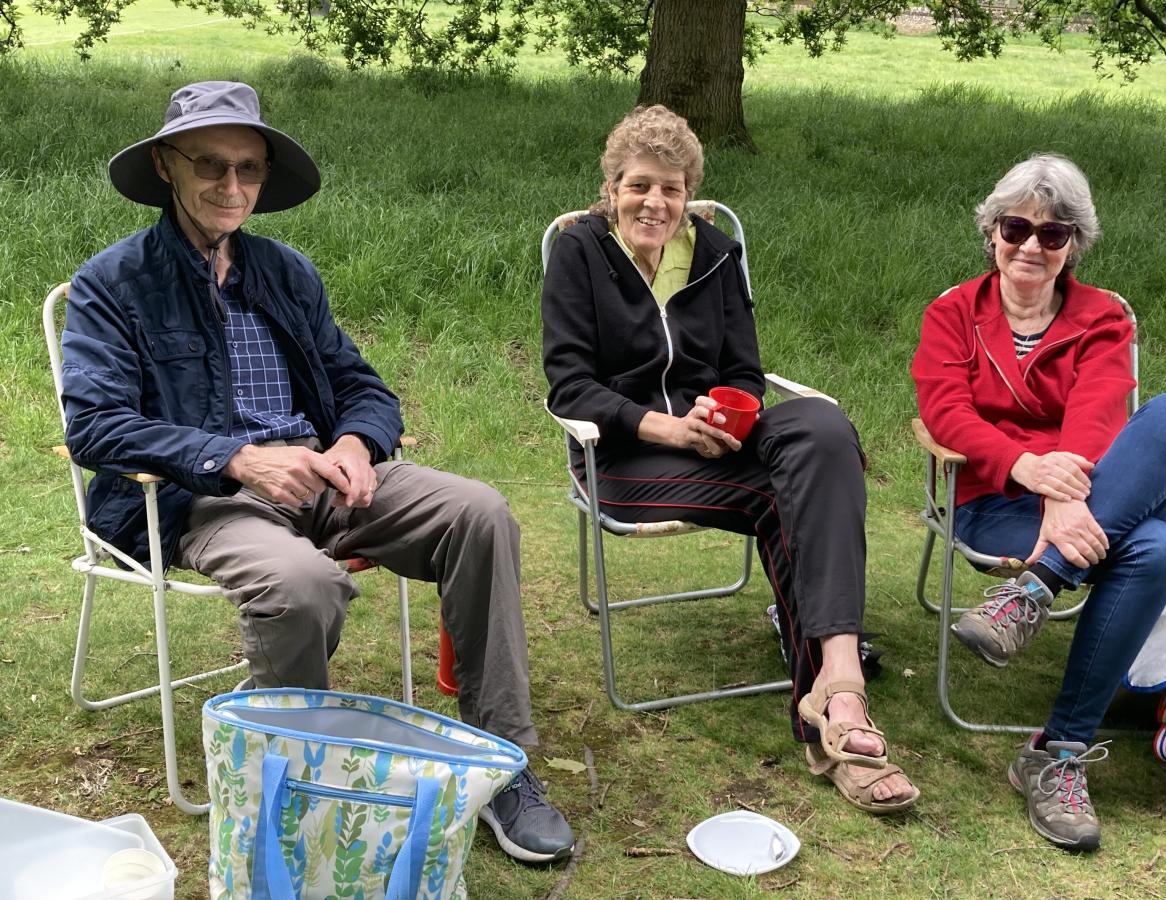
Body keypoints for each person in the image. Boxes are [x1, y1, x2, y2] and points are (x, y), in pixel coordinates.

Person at [60, 81, 573, 864]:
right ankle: (299, 781)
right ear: (166, 165)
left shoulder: (285, 271)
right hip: (206, 497)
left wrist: (358, 444)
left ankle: (501, 764)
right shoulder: (114, 284)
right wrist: (235, 458)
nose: (232, 186)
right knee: (303, 587)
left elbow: (360, 384)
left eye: (249, 168)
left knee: (480, 512)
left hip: (322, 476)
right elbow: (95, 425)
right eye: (210, 164)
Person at [541, 105, 918, 814]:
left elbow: (745, 370)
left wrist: (718, 414)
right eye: (639, 185)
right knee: (787, 498)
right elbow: (570, 386)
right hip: (621, 460)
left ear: (689, 193)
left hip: (713, 446)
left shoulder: (715, 252)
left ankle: (835, 680)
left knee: (823, 426)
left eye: (672, 188)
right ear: (611, 188)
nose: (655, 203)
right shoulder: (579, 252)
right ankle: (839, 712)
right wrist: (668, 427)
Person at [912, 153, 1166, 851]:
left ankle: (1035, 593)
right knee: (1158, 548)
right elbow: (946, 412)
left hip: (1091, 494)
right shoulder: (953, 312)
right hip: (992, 499)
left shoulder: (1103, 318)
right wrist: (1031, 471)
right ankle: (1059, 750)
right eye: (1016, 228)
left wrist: (1064, 499)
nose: (1031, 246)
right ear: (992, 232)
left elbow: (1098, 416)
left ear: (1074, 244)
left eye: (1053, 233)